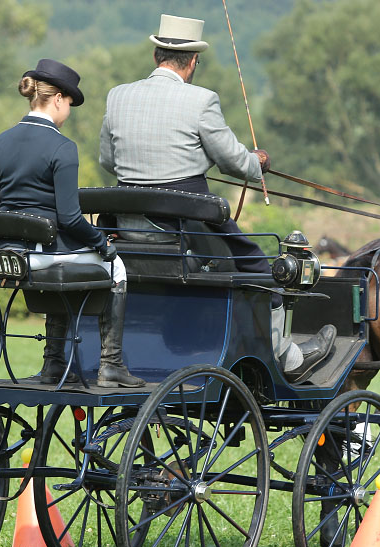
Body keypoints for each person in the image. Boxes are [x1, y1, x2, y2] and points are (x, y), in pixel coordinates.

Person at [99, 14, 336, 383]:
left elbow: (107, 160)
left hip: (128, 231)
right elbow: (233, 161)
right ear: (193, 61)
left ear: (156, 55)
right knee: (259, 267)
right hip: (188, 228)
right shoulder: (201, 100)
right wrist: (258, 162)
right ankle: (288, 359)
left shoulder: (118, 96)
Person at [0, 59, 144, 388]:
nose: (68, 111)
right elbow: (69, 218)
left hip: (7, 256)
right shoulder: (62, 147)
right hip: (42, 253)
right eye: (69, 103)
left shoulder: (0, 142)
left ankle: (54, 363)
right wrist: (102, 243)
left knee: (63, 260)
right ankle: (110, 364)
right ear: (57, 100)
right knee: (117, 267)